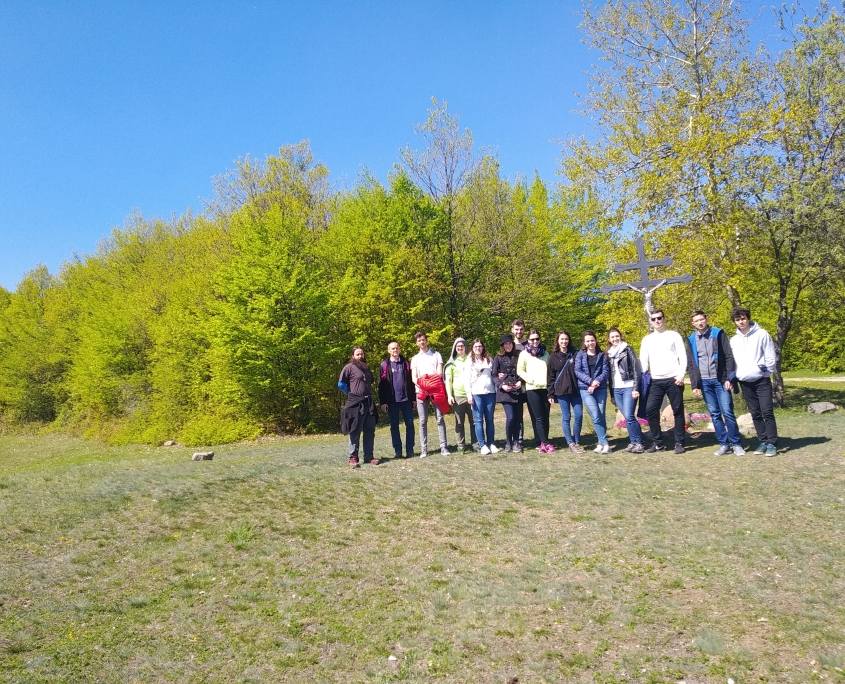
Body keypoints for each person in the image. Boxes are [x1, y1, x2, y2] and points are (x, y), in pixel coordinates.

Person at [686, 311, 745, 456]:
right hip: (705, 382)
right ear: (693, 323)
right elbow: (691, 364)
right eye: (696, 321)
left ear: (706, 319)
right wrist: (695, 385)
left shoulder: (718, 334)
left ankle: (736, 444)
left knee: (728, 412)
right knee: (714, 414)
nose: (700, 322)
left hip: (721, 380)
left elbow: (729, 356)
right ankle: (724, 444)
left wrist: (729, 378)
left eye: (701, 319)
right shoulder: (691, 339)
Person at [730, 307, 779, 456]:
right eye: (738, 320)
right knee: (755, 413)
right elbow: (733, 361)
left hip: (761, 380)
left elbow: (770, 354)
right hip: (745, 382)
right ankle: (763, 441)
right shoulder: (734, 340)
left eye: (743, 318)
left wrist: (767, 372)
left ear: (748, 318)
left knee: (767, 412)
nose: (741, 322)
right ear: (735, 322)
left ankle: (772, 443)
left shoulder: (761, 334)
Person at [639, 309, 688, 454]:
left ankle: (679, 443)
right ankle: (658, 443)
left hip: (673, 379)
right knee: (650, 411)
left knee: (677, 411)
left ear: (664, 319)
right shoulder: (647, 340)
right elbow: (643, 361)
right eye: (654, 319)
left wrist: (681, 375)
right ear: (651, 321)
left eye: (659, 318)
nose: (657, 321)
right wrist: (643, 377)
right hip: (655, 380)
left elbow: (683, 356)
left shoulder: (674, 335)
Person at [410, 332, 450, 458]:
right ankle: (424, 450)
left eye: (423, 339)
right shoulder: (415, 359)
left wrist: (430, 385)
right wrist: (424, 386)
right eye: (419, 340)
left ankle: (443, 447)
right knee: (422, 421)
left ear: (426, 341)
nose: (422, 342)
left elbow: (439, 373)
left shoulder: (436, 355)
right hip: (421, 391)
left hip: (436, 391)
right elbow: (414, 378)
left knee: (439, 418)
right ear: (416, 343)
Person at [339, 346, 379, 468]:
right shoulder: (349, 368)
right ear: (353, 356)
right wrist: (350, 393)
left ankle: (369, 457)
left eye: (361, 354)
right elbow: (341, 384)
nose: (360, 356)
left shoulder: (366, 368)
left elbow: (369, 382)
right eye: (357, 354)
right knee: (355, 430)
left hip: (368, 402)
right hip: (355, 403)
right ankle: (353, 458)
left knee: (369, 431)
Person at [606, 327, 644, 453]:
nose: (615, 339)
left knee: (629, 415)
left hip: (629, 386)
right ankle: (633, 443)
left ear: (620, 336)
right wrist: (612, 394)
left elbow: (636, 369)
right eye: (612, 337)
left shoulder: (628, 349)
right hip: (617, 389)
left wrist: (635, 388)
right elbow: (610, 376)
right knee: (627, 417)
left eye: (617, 336)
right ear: (609, 339)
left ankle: (639, 443)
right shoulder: (609, 353)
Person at [547, 330, 584, 453]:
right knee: (566, 416)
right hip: (561, 391)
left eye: (566, 339)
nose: (564, 341)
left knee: (578, 415)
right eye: (562, 339)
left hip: (575, 390)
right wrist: (550, 393)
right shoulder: (553, 357)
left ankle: (577, 441)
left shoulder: (575, 354)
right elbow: (550, 376)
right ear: (558, 341)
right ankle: (570, 443)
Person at [517, 329, 554, 453]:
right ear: (528, 340)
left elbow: (550, 370)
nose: (535, 341)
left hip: (545, 389)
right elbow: (520, 370)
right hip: (532, 389)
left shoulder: (545, 353)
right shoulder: (524, 354)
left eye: (537, 338)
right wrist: (530, 380)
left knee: (546, 416)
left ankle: (544, 441)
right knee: (539, 417)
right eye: (532, 339)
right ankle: (545, 443)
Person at [378, 341, 416, 459]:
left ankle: (410, 450)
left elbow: (412, 383)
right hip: (392, 401)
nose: (395, 350)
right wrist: (383, 402)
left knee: (410, 425)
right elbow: (381, 385)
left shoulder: (406, 363)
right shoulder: (384, 365)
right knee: (394, 427)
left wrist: (413, 399)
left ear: (399, 349)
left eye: (397, 348)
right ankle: (398, 451)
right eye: (393, 348)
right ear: (388, 350)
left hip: (406, 400)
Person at [575, 331, 611, 453]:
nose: (590, 343)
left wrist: (596, 382)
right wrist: (591, 382)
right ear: (584, 343)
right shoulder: (580, 355)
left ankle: (600, 443)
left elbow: (605, 372)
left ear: (595, 341)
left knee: (601, 415)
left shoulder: (602, 355)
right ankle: (605, 443)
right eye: (588, 341)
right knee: (595, 415)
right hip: (586, 389)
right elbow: (578, 371)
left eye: (592, 340)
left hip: (600, 389)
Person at [492, 333, 523, 452]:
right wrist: (502, 385)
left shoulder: (519, 355)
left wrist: (521, 381)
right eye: (506, 344)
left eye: (510, 343)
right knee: (510, 417)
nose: (508, 346)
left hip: (517, 389)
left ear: (513, 344)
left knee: (518, 418)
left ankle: (516, 442)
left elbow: (523, 370)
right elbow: (494, 375)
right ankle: (508, 442)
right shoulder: (498, 357)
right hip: (506, 392)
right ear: (503, 345)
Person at [467, 338, 498, 454]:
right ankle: (482, 445)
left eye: (479, 346)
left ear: (483, 347)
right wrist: (469, 395)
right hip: (476, 393)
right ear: (472, 348)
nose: (478, 348)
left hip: (490, 393)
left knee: (490, 419)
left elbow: (494, 374)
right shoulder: (469, 361)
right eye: (475, 346)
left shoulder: (489, 359)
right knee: (479, 420)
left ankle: (491, 443)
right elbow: (466, 379)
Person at [444, 337, 474, 453]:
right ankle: (461, 444)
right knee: (459, 422)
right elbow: (448, 381)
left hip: (471, 395)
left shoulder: (471, 360)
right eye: (458, 346)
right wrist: (449, 395)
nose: (460, 348)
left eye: (462, 346)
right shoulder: (451, 363)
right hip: (458, 396)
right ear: (455, 348)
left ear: (465, 347)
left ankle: (476, 443)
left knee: (474, 422)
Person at [511, 319, 529, 451]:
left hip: (529, 383)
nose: (519, 331)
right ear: (512, 330)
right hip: (515, 385)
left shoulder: (530, 344)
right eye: (516, 329)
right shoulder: (509, 345)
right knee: (518, 414)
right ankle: (519, 439)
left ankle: (540, 440)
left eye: (521, 329)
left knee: (535, 413)